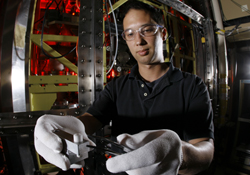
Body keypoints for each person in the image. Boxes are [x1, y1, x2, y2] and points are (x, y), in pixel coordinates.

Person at [34, 1, 214, 175]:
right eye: (130, 33)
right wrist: (65, 129)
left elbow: (205, 150)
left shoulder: (192, 86)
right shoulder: (117, 87)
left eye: (147, 30)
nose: (139, 41)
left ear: (163, 33)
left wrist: (181, 156)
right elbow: (90, 120)